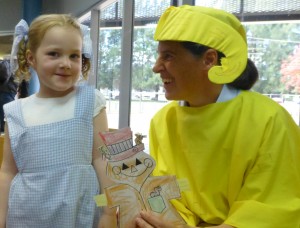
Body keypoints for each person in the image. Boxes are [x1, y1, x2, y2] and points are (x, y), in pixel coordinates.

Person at [135, 5, 300, 228]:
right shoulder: (163, 121)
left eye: (168, 56)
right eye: (159, 56)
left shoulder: (270, 120)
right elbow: (169, 196)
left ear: (209, 60)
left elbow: (271, 209)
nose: (156, 67)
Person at [0, 15, 117, 227]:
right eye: (54, 54)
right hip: (26, 215)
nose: (65, 63)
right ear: (31, 58)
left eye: (74, 56)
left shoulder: (91, 101)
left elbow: (102, 161)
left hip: (80, 213)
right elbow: (8, 171)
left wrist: (109, 212)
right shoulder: (15, 111)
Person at [0, 58, 17, 132]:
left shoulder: (6, 64)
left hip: (5, 91)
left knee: (4, 115)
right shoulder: (7, 64)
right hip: (7, 92)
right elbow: (4, 76)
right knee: (6, 116)